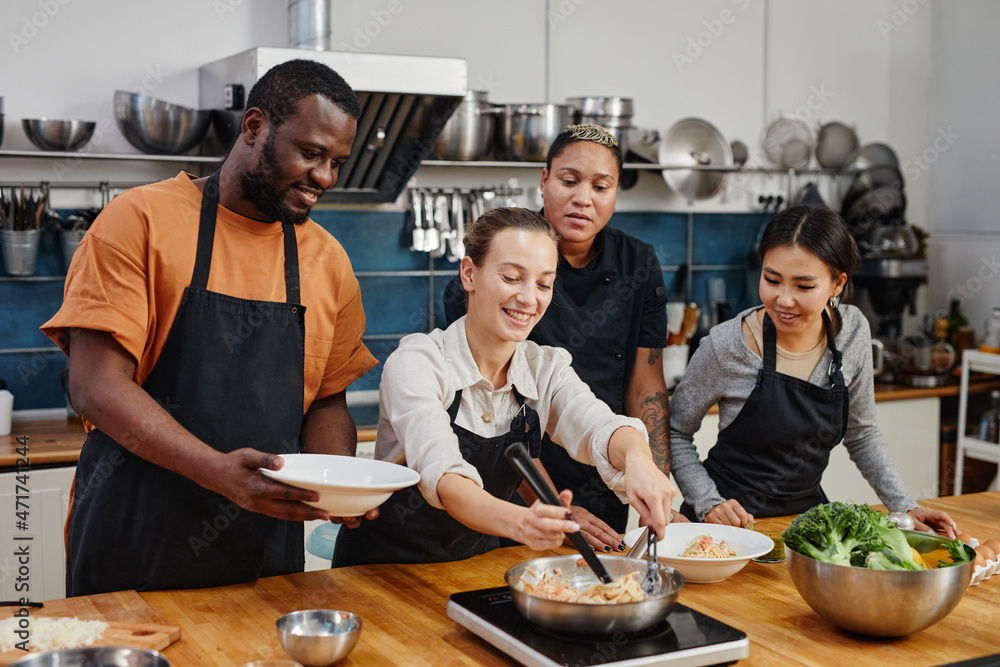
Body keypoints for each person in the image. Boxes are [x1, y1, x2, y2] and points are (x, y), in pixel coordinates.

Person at [41, 59, 379, 595]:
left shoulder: (328, 260)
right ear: (254, 126)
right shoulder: (138, 220)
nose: (325, 177)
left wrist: (339, 480)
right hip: (135, 532)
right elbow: (96, 386)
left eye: (336, 162)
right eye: (311, 153)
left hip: (265, 545)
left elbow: (325, 400)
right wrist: (219, 472)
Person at [333, 207, 676, 567]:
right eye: (512, 278)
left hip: (472, 566)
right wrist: (525, 522)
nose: (529, 298)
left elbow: (598, 425)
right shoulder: (418, 362)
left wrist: (639, 459)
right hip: (382, 570)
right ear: (469, 274)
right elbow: (445, 476)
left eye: (544, 284)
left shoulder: (545, 368)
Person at [443, 124, 676, 551]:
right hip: (510, 494)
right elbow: (497, 421)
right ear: (545, 180)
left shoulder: (637, 263)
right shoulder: (436, 343)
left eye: (600, 186)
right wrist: (555, 511)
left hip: (606, 479)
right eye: (569, 181)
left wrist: (651, 476)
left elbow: (641, 389)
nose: (583, 198)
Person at [669, 205, 958, 536]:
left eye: (804, 286)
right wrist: (708, 503)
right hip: (722, 531)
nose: (783, 300)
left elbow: (862, 433)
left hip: (804, 529)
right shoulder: (727, 345)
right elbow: (674, 432)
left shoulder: (852, 331)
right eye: (771, 279)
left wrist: (905, 507)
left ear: (837, 284)